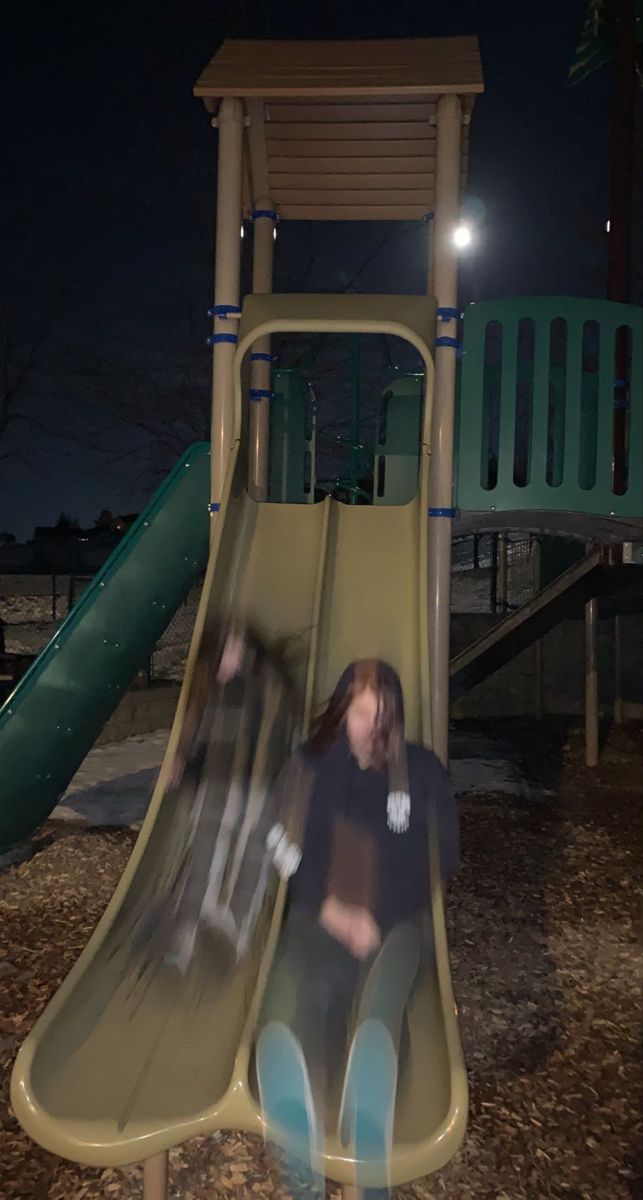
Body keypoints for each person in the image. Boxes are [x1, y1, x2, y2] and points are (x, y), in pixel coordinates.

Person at [256, 659, 459, 1187]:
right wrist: (326, 907)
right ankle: (296, 1110)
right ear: (341, 711)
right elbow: (278, 840)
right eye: (358, 712)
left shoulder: (421, 771)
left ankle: (372, 1093)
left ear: (396, 716)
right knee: (309, 984)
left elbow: (439, 857)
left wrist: (378, 915)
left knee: (384, 991)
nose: (368, 725)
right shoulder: (309, 766)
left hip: (392, 923)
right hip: (319, 914)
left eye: (379, 713)